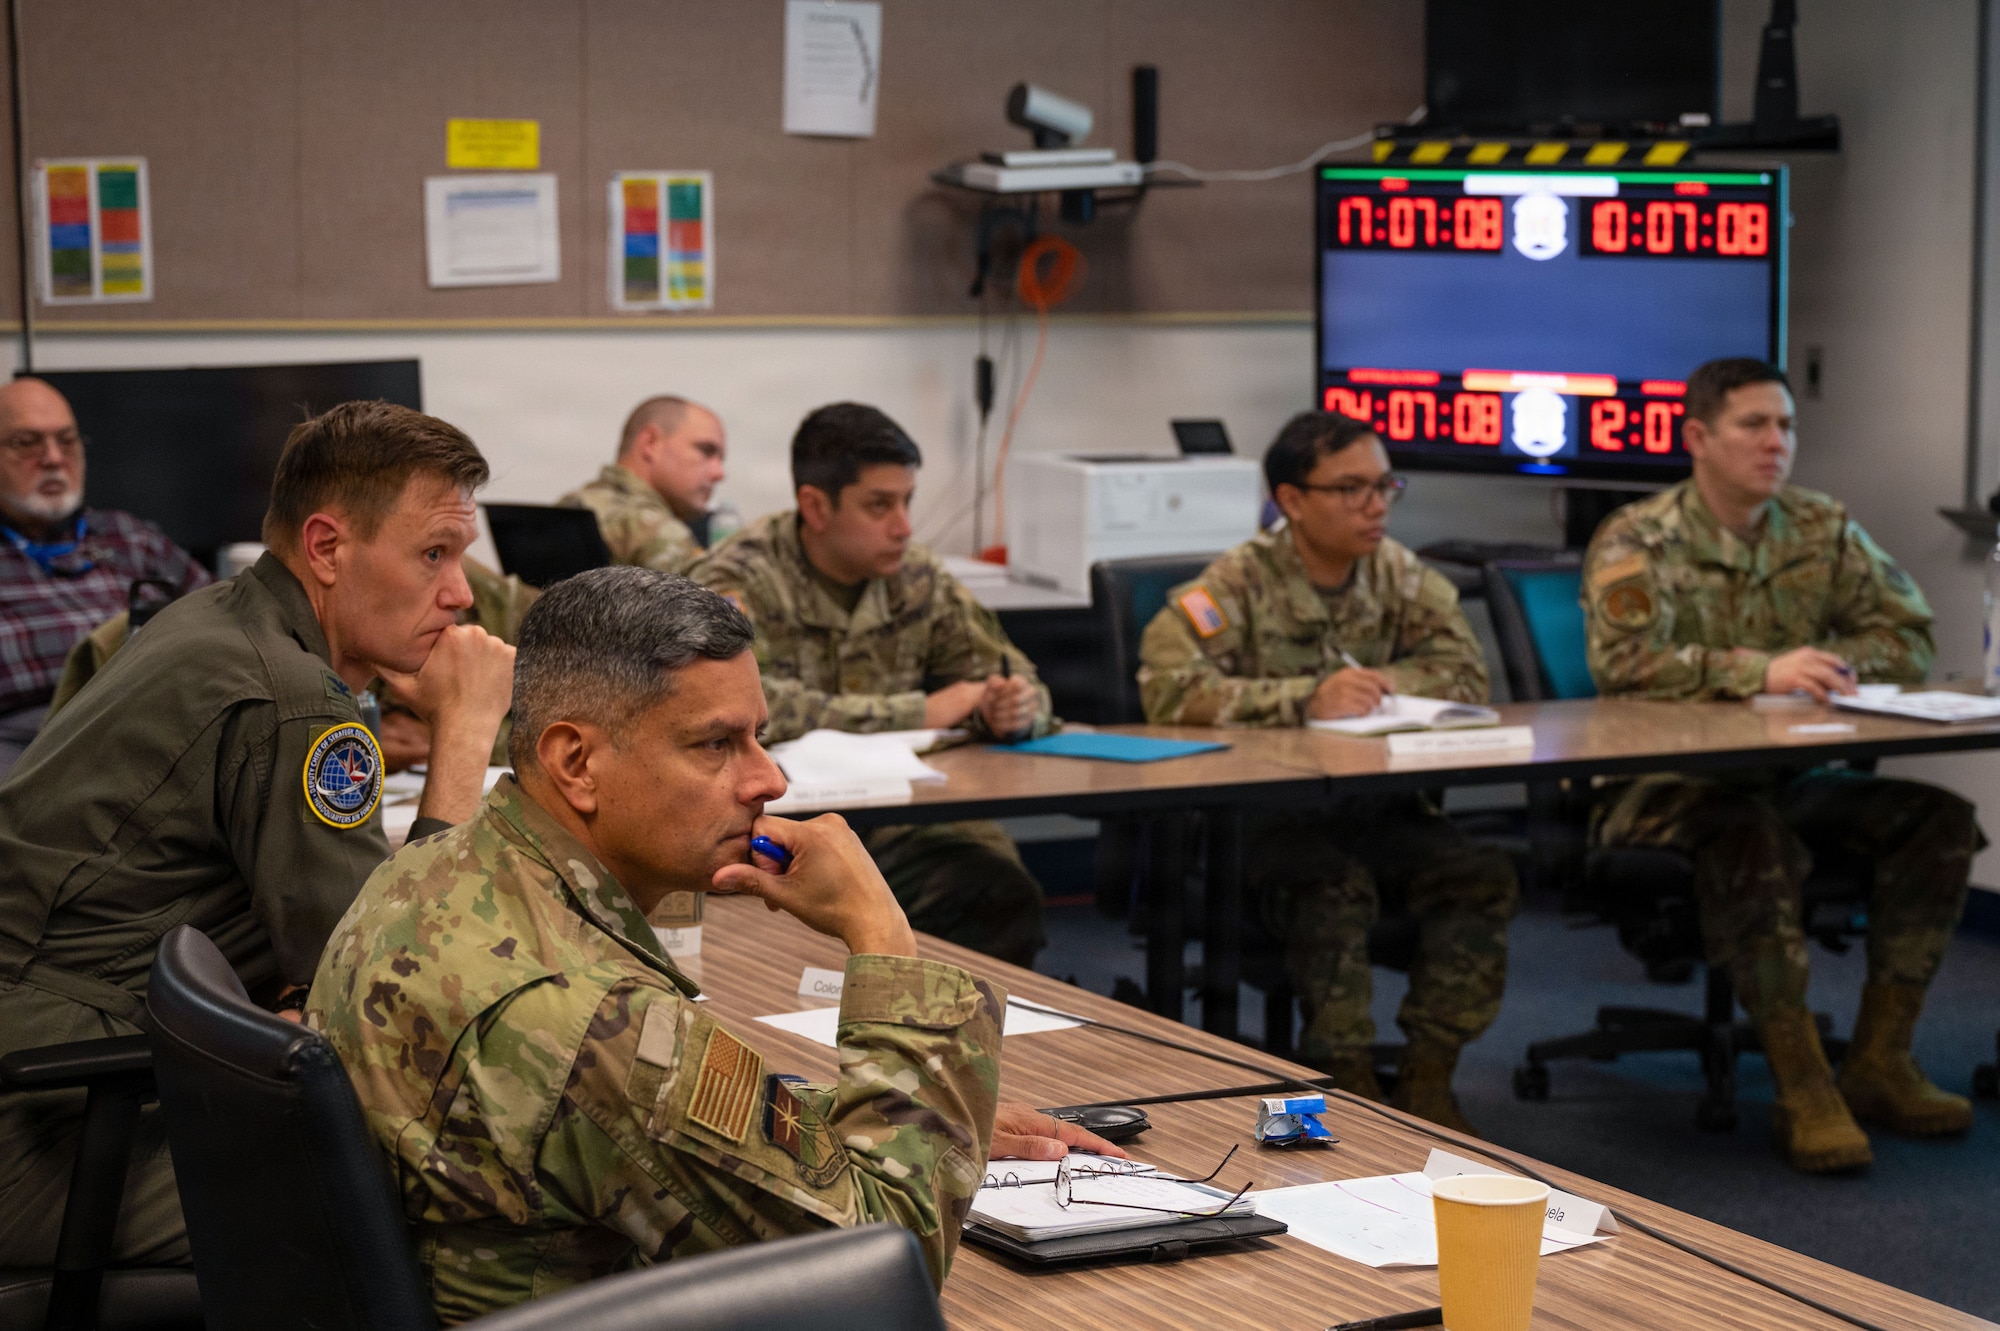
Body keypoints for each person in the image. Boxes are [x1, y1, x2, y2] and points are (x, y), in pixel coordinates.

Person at [309, 567, 1121, 1323]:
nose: (769, 780)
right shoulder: (592, 1017)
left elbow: (598, 1118)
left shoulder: (424, 872)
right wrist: (881, 933)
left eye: (759, 736)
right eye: (715, 744)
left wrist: (866, 1118)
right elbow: (886, 1264)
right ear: (576, 762)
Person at [0, 400, 516, 1267]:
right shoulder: (294, 696)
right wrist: (464, 730)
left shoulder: (217, 619)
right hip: (55, 1126)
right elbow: (393, 992)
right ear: (326, 548)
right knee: (457, 1186)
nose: (461, 592)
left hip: (71, 1071)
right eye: (434, 553)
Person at [1583, 357, 1979, 1173]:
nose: (1777, 443)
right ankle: (1803, 1084)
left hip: (1785, 775)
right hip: (1660, 786)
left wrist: (1830, 665)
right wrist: (1760, 670)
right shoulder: (1637, 535)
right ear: (1698, 437)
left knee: (1937, 821)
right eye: (1754, 425)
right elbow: (1623, 663)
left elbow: (1907, 636)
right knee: (1748, 837)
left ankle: (1880, 1059)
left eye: (1787, 426)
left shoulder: (1820, 527)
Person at [1138, 411, 1517, 1134]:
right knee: (1332, 886)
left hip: (1380, 810)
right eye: (1350, 489)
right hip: (1269, 823)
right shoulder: (1237, 583)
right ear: (1292, 499)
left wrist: (1385, 684)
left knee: (1480, 875)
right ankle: (1347, 1080)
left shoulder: (1398, 573)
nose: (1375, 506)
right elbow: (1167, 687)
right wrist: (1302, 699)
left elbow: (1468, 673)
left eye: (1384, 486)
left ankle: (1429, 1071)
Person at [689, 403, 1051, 967]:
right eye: (879, 506)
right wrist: (921, 712)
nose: (903, 526)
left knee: (996, 889)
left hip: (907, 821)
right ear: (816, 506)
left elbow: (1015, 676)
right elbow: (735, 708)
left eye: (907, 501)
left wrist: (1011, 708)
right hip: (777, 821)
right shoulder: (739, 579)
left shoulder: (919, 577)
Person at [0, 377, 210, 777]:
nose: (53, 458)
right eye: (27, 443)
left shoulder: (130, 537)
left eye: (67, 441)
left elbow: (227, 618)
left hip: (154, 718)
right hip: (25, 739)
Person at [558, 395, 727, 573]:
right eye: (706, 450)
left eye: (721, 460)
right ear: (650, 443)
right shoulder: (656, 529)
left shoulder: (569, 507)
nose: (719, 473)